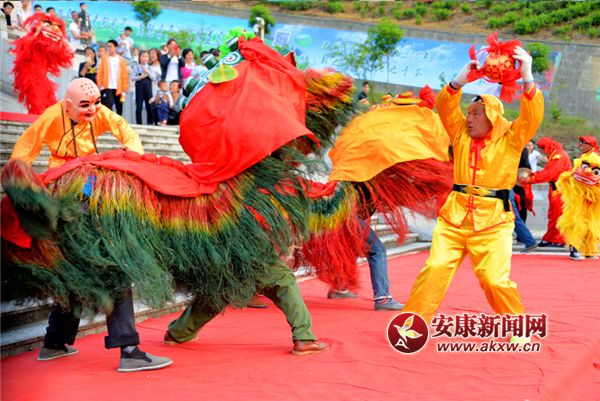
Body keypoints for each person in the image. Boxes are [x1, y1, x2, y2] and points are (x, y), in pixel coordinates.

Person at [10, 78, 170, 372]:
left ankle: (55, 343)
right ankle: (129, 350)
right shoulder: (51, 117)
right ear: (68, 105)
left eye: (97, 103)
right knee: (111, 265)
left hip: (90, 189)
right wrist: (26, 189)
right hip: (63, 194)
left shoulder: (101, 113)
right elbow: (24, 150)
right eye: (85, 105)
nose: (93, 109)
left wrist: (133, 159)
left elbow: (126, 131)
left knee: (75, 270)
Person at [402, 46, 544, 327]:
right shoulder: (460, 134)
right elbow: (446, 107)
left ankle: (517, 326)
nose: (468, 118)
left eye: (476, 113)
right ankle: (412, 327)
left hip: (493, 221)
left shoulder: (512, 138)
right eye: (468, 112)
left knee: (494, 280)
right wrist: (459, 81)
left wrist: (527, 75)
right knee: (435, 269)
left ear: (492, 116)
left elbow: (532, 115)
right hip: (454, 218)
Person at [163, 257, 329, 355]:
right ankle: (304, 338)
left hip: (215, 235)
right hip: (245, 234)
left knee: (223, 285)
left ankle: (179, 332)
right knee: (283, 281)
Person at [523, 137, 571, 248]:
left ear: (546, 147)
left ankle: (560, 239)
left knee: (559, 215)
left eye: (541, 149)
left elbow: (549, 174)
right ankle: (550, 238)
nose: (540, 152)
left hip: (560, 190)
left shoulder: (558, 156)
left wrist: (531, 178)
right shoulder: (554, 154)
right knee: (552, 215)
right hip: (554, 189)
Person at [97, 39, 129, 116]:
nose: (109, 48)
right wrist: (100, 85)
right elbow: (100, 72)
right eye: (108, 47)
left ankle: (118, 122)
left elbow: (124, 75)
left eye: (111, 46)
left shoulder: (122, 60)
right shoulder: (104, 59)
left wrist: (124, 89)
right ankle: (108, 121)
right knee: (108, 106)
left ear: (116, 47)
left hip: (119, 87)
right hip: (107, 86)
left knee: (119, 108)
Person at [132, 50, 153, 125]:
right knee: (139, 106)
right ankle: (139, 123)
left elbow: (153, 77)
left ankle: (150, 123)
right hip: (139, 87)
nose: (145, 58)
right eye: (143, 56)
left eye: (146, 57)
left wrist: (147, 71)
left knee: (149, 105)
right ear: (139, 58)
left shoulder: (150, 67)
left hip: (148, 87)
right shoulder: (136, 67)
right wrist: (140, 77)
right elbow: (132, 78)